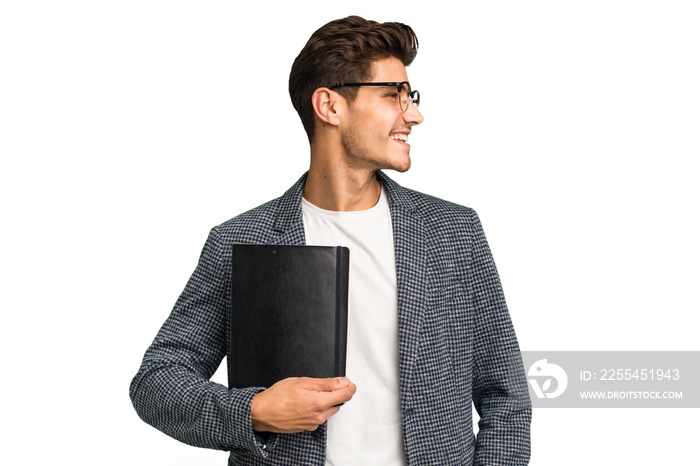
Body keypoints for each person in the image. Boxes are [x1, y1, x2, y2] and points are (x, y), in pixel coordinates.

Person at [130, 15, 531, 465]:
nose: (413, 114)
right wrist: (255, 411)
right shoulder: (241, 240)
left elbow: (507, 396)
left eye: (410, 96)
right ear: (330, 106)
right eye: (393, 95)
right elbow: (157, 381)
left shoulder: (453, 232)